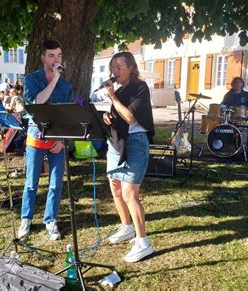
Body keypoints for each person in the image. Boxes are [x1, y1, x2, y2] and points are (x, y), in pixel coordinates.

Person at [18, 40, 74, 240]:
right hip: (36, 135)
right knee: (31, 182)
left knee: (56, 182)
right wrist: (54, 80)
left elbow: (69, 114)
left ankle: (51, 220)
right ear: (43, 57)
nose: (56, 59)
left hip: (57, 139)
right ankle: (26, 218)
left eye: (59, 55)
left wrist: (63, 139)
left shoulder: (66, 85)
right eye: (51, 55)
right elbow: (37, 103)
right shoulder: (31, 80)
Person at [102, 51, 155, 263]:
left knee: (129, 193)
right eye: (112, 67)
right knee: (115, 187)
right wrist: (108, 115)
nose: (114, 71)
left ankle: (143, 242)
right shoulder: (121, 89)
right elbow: (117, 113)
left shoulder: (140, 88)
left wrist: (113, 97)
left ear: (131, 68)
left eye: (118, 67)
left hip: (135, 143)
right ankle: (127, 227)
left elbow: (130, 117)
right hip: (116, 142)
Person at [221, 77, 248, 143]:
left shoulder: (247, 95)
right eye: (235, 83)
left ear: (242, 84)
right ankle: (226, 143)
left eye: (238, 83)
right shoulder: (228, 95)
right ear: (232, 85)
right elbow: (222, 105)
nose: (236, 84)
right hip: (230, 119)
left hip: (242, 118)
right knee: (222, 125)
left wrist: (246, 111)